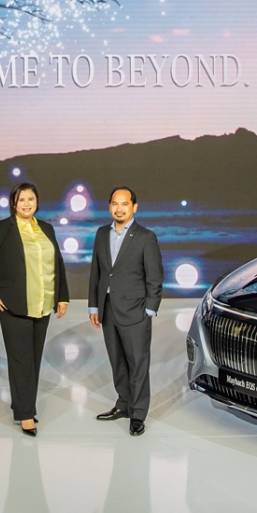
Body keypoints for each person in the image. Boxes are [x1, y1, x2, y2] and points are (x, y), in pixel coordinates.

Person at [0, 182, 69, 435]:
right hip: (14, 305)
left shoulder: (46, 229)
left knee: (34, 359)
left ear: (37, 201)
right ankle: (26, 414)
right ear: (13, 203)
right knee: (21, 360)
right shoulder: (2, 229)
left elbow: (57, 263)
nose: (27, 203)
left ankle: (22, 404)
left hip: (43, 304)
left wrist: (63, 296)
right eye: (22, 199)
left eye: (31, 199)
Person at [88, 186, 163, 436]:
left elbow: (154, 277)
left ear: (134, 207)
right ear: (109, 206)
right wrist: (93, 305)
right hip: (108, 309)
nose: (119, 208)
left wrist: (149, 311)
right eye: (114, 204)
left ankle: (138, 413)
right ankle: (123, 404)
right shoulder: (101, 234)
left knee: (138, 364)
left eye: (124, 204)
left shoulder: (145, 236)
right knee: (117, 362)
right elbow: (97, 273)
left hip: (136, 311)